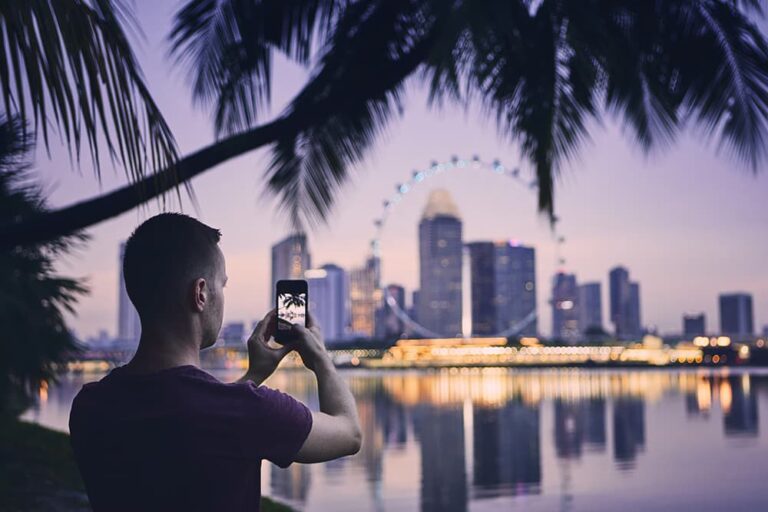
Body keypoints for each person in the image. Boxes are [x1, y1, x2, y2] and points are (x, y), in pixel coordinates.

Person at [69, 213, 361, 511]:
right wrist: (321, 357)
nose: (223, 296)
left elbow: (187, 418)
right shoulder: (248, 411)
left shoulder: (90, 407)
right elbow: (349, 433)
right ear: (200, 293)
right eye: (222, 285)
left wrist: (254, 374)